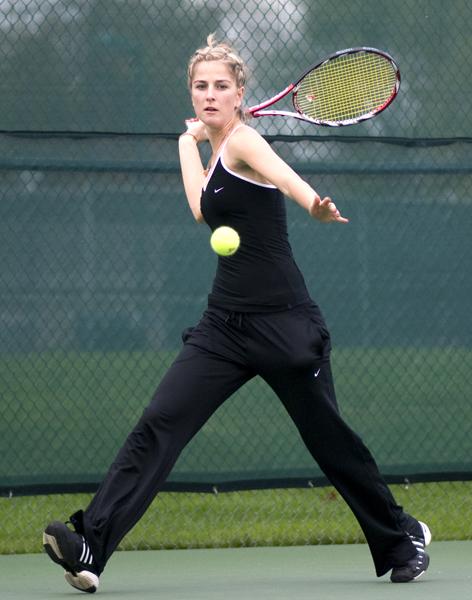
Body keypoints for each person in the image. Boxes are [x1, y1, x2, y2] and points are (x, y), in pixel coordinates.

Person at [43, 35, 431, 594]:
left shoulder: (246, 139)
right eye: (200, 86)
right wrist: (187, 142)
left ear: (240, 93)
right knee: (161, 423)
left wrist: (313, 203)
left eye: (220, 86)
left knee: (330, 443)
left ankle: (403, 535)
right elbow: (202, 209)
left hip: (286, 325)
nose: (209, 94)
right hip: (224, 326)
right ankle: (90, 545)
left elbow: (285, 176)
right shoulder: (216, 148)